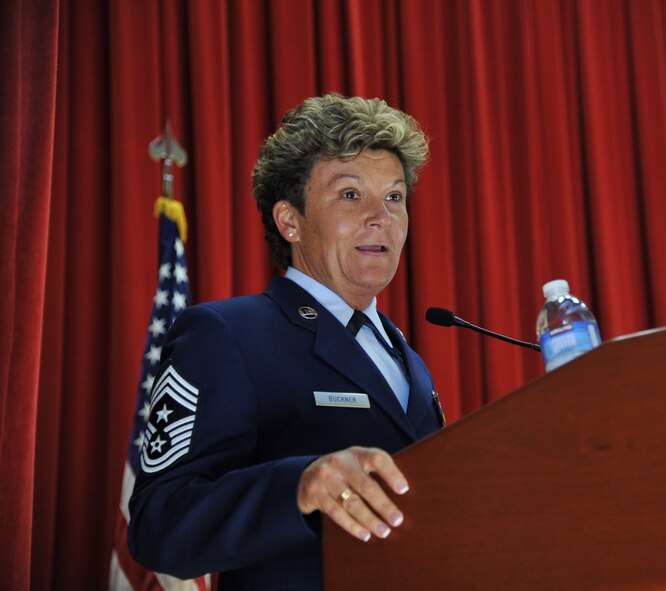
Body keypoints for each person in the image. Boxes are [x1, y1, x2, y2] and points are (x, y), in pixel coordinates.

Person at [128, 94, 445, 590]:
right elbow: (159, 526)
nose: (381, 216)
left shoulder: (408, 360)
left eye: (395, 197)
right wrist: (299, 486)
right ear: (289, 220)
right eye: (349, 194)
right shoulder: (228, 335)